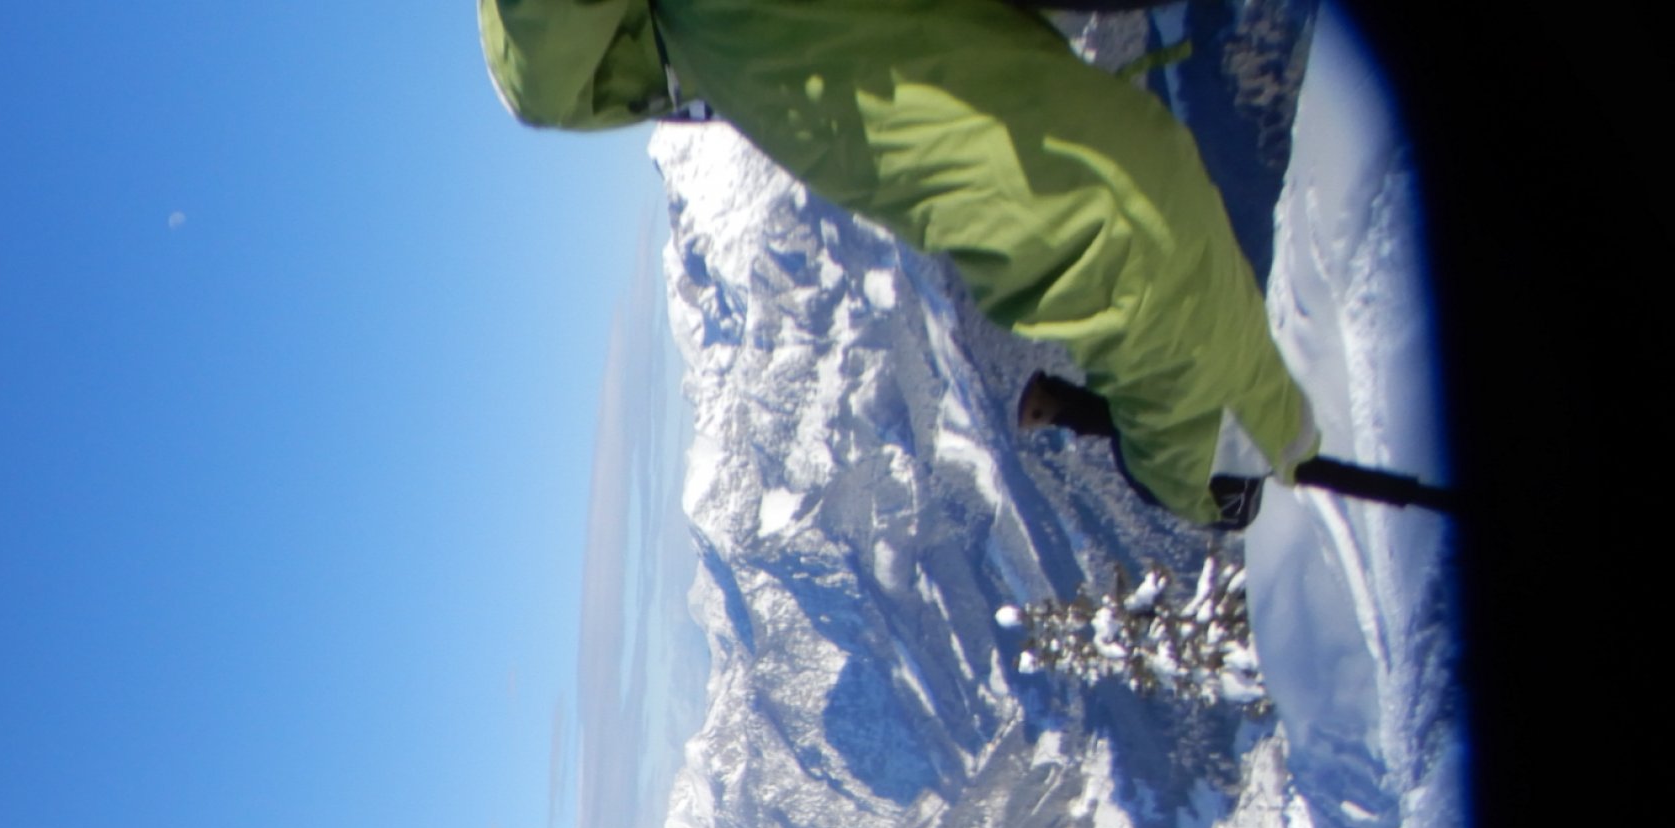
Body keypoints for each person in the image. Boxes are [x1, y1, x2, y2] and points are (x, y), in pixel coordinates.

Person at [479, 0, 1315, 526]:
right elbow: (1114, 230)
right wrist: (1225, 436)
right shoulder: (749, 27)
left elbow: (1122, 241)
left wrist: (1213, 453)